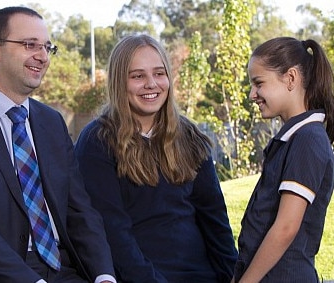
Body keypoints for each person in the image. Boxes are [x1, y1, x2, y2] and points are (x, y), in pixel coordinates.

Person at [0, 6, 116, 283]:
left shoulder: (52, 122)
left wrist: (104, 276)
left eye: (47, 47)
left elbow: (79, 210)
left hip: (65, 268)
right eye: (30, 45)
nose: (43, 56)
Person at [74, 34, 238, 282]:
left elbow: (215, 222)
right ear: (120, 82)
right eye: (138, 76)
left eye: (159, 73)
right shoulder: (98, 141)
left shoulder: (190, 136)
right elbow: (114, 233)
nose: (151, 84)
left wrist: (234, 277)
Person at [232, 37, 334, 282]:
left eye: (258, 83)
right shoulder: (293, 138)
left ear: (290, 79)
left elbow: (286, 228)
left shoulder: (308, 139)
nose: (251, 94)